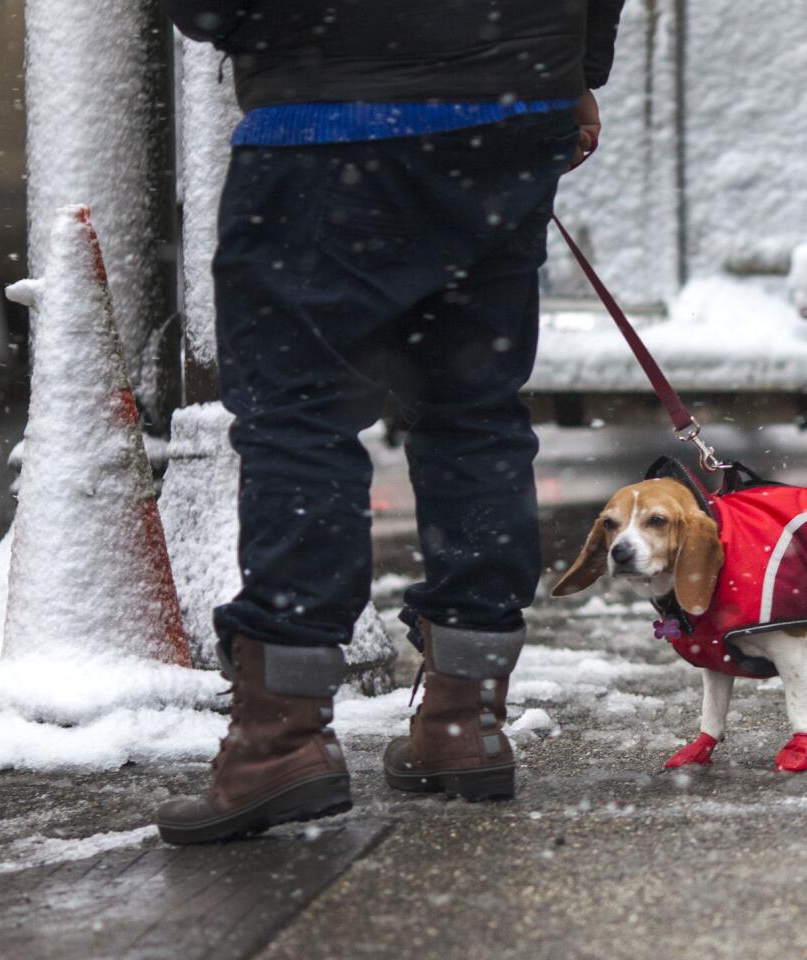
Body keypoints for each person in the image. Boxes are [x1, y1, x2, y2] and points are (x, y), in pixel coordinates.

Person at [156, 0, 626, 845]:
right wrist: (573, 67)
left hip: (325, 110)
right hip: (509, 103)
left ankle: (279, 739)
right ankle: (464, 717)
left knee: (299, 415)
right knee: (472, 408)